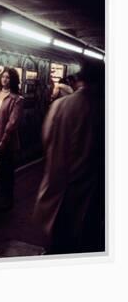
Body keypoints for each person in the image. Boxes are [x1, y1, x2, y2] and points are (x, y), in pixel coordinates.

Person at [33, 60, 105, 254]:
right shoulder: (104, 109)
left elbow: (46, 139)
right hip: (90, 193)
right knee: (83, 242)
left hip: (57, 185)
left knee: (58, 240)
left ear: (80, 79)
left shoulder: (60, 105)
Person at [0, 67, 23, 210]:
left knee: (6, 172)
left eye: (8, 77)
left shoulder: (17, 99)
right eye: (3, 77)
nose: (5, 79)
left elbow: (12, 123)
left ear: (13, 80)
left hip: (7, 141)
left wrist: (3, 141)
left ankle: (7, 201)